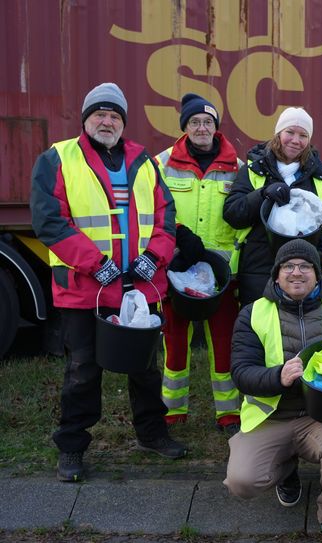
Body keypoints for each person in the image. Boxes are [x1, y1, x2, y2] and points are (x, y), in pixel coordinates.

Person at [30, 82, 187, 482]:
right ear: (86, 120)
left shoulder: (143, 160)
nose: (107, 121)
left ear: (123, 123)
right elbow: (50, 222)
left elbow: (167, 217)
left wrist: (155, 259)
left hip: (139, 286)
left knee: (146, 368)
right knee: (83, 369)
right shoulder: (57, 158)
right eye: (100, 114)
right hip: (86, 289)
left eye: (115, 116)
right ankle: (71, 447)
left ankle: (151, 434)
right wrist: (94, 264)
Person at [224, 239, 322, 543]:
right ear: (276, 274)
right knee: (241, 482)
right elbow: (241, 373)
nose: (296, 272)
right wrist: (277, 376)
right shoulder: (253, 313)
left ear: (317, 273)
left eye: (305, 266)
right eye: (288, 266)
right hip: (272, 417)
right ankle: (286, 472)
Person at [156, 93, 242, 434]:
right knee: (175, 342)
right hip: (176, 268)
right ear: (185, 127)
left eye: (208, 122)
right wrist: (177, 234)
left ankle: (229, 414)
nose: (202, 127)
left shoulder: (239, 166)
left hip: (223, 274)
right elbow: (152, 209)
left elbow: (245, 218)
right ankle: (172, 411)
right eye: (195, 122)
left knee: (225, 343)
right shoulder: (162, 163)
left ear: (216, 128)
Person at [223, 107, 322, 306]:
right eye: (290, 132)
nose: (296, 140)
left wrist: (319, 256)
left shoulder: (321, 176)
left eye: (303, 135)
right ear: (278, 133)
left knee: (305, 331)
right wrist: (262, 194)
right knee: (258, 330)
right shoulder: (253, 171)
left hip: (307, 273)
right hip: (259, 269)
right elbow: (233, 214)